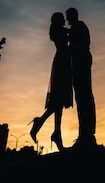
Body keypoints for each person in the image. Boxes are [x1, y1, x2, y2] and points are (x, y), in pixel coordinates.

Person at [29, 12, 73, 151]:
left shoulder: (58, 30)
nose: (65, 20)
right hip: (62, 63)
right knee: (58, 100)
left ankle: (54, 132)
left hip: (63, 62)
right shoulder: (58, 31)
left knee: (58, 103)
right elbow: (66, 43)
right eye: (62, 19)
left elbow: (70, 33)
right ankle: (48, 128)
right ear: (58, 21)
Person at [66, 7, 97, 149]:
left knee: (84, 96)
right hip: (77, 61)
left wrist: (71, 49)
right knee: (80, 96)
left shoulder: (81, 27)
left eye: (68, 16)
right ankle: (84, 134)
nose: (66, 20)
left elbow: (84, 42)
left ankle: (88, 135)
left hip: (82, 60)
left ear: (74, 16)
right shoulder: (74, 29)